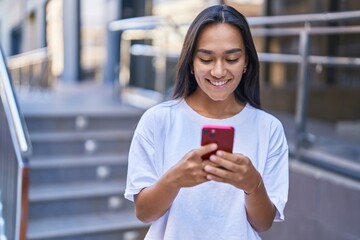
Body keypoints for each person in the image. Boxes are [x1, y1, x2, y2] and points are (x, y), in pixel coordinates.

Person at [124, 4, 289, 240]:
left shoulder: (268, 128)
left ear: (246, 63)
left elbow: (263, 223)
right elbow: (143, 212)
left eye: (231, 58)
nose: (219, 71)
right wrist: (175, 179)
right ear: (191, 62)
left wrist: (253, 184)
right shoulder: (158, 120)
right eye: (206, 59)